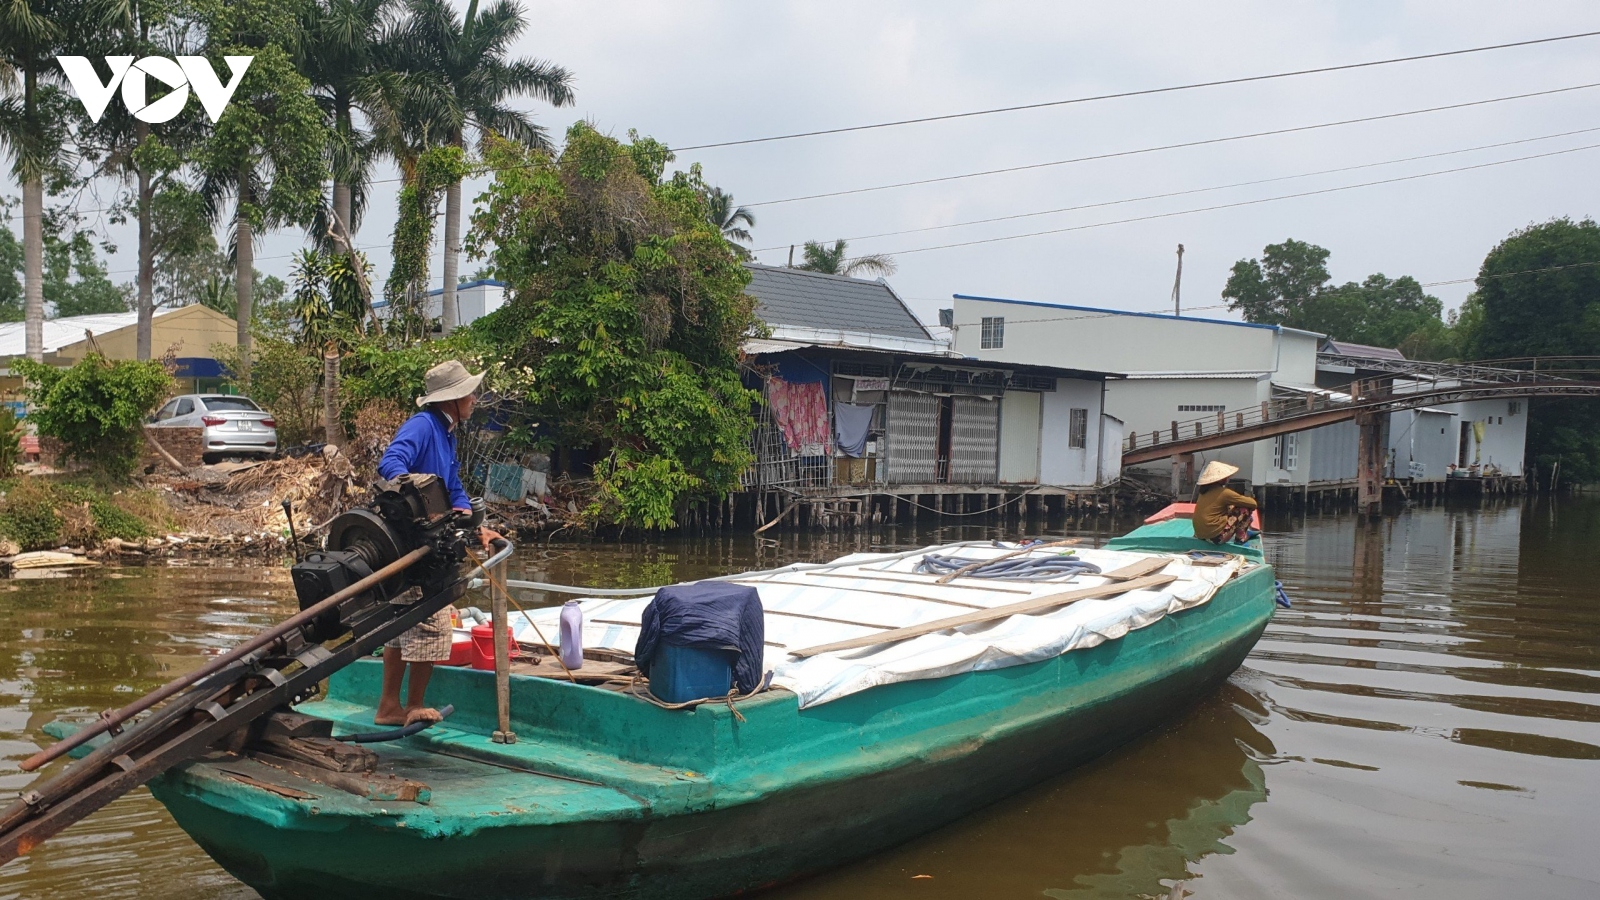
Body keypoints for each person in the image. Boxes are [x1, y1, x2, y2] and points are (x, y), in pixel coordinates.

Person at [374, 359, 501, 727]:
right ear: (454, 399)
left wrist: (473, 522)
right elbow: (392, 463)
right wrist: (417, 499)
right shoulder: (423, 425)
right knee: (430, 624)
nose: (475, 399)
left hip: (427, 541)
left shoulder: (446, 433)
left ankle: (387, 707)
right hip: (412, 544)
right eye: (470, 394)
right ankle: (412, 705)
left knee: (399, 627)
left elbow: (453, 486)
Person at [1192, 460, 1259, 544]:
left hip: (1199, 535)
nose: (1227, 478)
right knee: (1245, 509)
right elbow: (1253, 503)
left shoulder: (1203, 492)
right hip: (1216, 538)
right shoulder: (1224, 493)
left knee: (1230, 507)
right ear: (1220, 479)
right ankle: (1240, 538)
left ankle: (1240, 533)